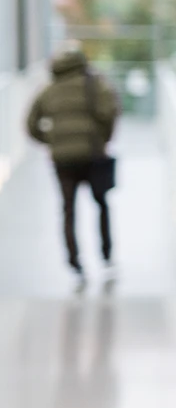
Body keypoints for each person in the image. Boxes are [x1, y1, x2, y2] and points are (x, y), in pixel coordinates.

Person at [27, 45, 120, 285]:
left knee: (68, 209)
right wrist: (103, 139)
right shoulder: (93, 84)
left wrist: (51, 141)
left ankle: (75, 263)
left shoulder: (48, 89)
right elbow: (110, 110)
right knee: (101, 204)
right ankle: (106, 256)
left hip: (63, 161)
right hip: (92, 155)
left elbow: (30, 123)